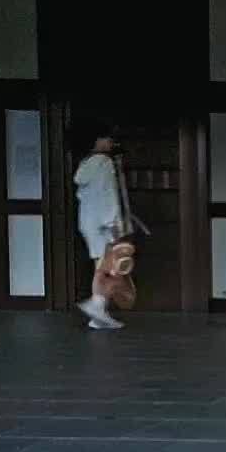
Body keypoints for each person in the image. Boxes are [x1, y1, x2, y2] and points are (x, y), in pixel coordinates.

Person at [74, 127, 125, 330]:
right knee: (109, 267)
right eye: (109, 140)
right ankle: (96, 305)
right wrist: (113, 222)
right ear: (100, 141)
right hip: (104, 223)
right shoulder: (105, 163)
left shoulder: (85, 164)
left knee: (101, 264)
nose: (111, 144)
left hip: (88, 221)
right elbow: (108, 194)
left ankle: (98, 315)